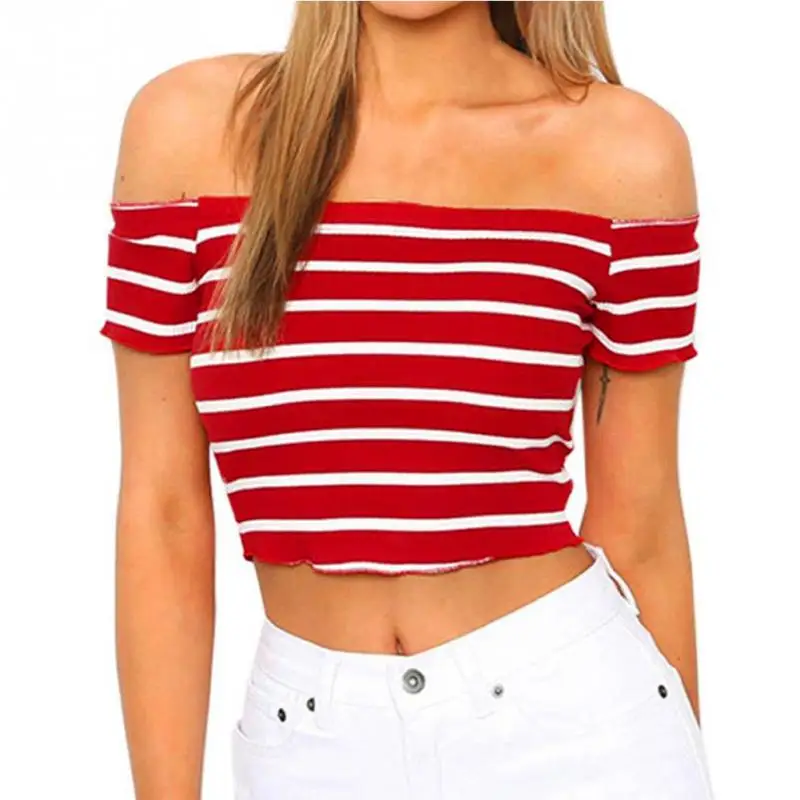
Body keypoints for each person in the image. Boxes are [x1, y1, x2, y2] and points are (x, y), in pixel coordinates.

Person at [100, 2, 714, 798]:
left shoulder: (621, 151)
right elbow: (163, 515)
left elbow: (643, 526)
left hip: (581, 727)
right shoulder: (187, 132)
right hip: (308, 746)